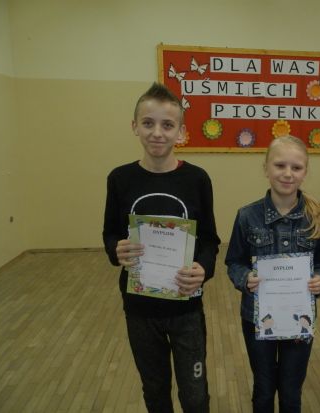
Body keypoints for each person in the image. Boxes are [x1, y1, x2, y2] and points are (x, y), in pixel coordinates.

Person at [102, 82, 220, 413]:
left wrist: (203, 269)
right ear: (134, 126)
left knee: (195, 394)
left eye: (167, 125)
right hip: (139, 307)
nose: (157, 133)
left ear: (181, 132)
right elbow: (110, 233)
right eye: (148, 123)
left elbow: (209, 240)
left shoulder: (197, 179)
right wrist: (116, 250)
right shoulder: (119, 179)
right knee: (154, 389)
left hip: (186, 308)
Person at [225, 136, 320, 413]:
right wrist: (245, 278)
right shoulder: (247, 216)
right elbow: (234, 262)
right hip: (257, 317)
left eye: (296, 167)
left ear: (305, 172)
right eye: (280, 165)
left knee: (291, 389)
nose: (288, 173)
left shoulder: (318, 217)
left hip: (300, 319)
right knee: (264, 387)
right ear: (266, 168)